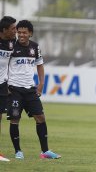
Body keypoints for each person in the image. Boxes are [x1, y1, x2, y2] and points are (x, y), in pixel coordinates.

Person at [7, 20, 61, 159]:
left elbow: (40, 65)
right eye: (19, 32)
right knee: (15, 119)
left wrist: (41, 83)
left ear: (30, 33)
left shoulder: (35, 47)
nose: (21, 35)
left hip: (30, 89)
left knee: (40, 117)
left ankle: (45, 151)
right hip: (14, 88)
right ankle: (18, 151)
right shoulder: (11, 46)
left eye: (24, 32)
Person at [0, 16, 17, 162]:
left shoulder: (12, 42)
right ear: (4, 30)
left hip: (2, 85)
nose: (15, 31)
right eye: (13, 29)